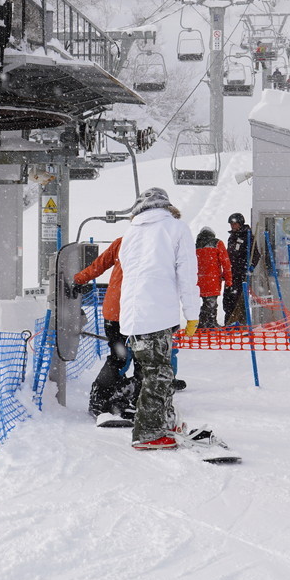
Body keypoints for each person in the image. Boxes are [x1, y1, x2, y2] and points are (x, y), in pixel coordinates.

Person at [119, 188, 199, 450]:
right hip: (157, 312)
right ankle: (149, 432)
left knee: (151, 370)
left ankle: (164, 421)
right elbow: (187, 275)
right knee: (159, 372)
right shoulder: (176, 229)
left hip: (133, 315)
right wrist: (192, 314)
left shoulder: (131, 232)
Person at [73, 237, 141, 419]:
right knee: (145, 360)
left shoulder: (123, 241)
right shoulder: (158, 242)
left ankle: (99, 399)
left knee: (118, 358)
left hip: (114, 311)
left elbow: (99, 265)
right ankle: (137, 401)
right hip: (139, 313)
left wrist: (78, 280)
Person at [223, 212, 261, 326]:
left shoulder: (247, 236)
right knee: (227, 300)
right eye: (231, 224)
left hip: (241, 275)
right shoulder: (232, 237)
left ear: (240, 223)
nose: (232, 226)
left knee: (238, 300)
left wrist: (251, 266)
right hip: (231, 274)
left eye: (234, 224)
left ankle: (239, 323)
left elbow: (256, 255)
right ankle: (228, 323)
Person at [194, 227, 231, 329]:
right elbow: (226, 263)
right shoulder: (217, 243)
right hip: (213, 279)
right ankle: (209, 323)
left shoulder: (196, 246)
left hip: (200, 280)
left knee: (207, 301)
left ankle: (203, 324)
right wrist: (228, 280)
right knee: (211, 303)